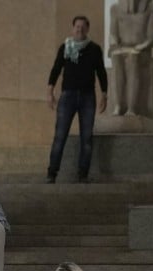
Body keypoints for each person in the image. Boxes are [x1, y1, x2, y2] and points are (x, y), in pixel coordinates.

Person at [45, 16, 108, 184]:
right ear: (73, 28)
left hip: (88, 97)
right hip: (68, 96)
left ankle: (83, 174)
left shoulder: (94, 49)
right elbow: (56, 69)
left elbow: (101, 72)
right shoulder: (65, 47)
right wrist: (50, 91)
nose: (79, 29)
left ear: (87, 29)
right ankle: (52, 173)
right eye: (76, 26)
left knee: (86, 137)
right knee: (60, 135)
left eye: (82, 27)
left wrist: (104, 94)